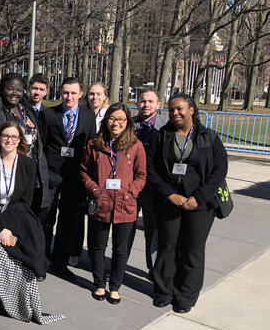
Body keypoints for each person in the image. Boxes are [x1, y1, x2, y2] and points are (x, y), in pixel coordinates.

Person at [147, 93, 227, 314]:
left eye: (180, 109)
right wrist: (169, 194)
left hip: (199, 205)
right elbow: (151, 171)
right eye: (171, 110)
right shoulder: (162, 136)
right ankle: (164, 291)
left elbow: (219, 170)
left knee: (193, 251)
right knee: (167, 248)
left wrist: (198, 197)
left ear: (191, 110)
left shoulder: (208, 137)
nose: (175, 113)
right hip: (169, 202)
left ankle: (186, 295)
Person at [0, 121, 63, 324]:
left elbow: (25, 203)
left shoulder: (27, 164)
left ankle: (16, 299)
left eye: (13, 137)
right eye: (5, 136)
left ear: (19, 140)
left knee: (17, 259)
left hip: (16, 218)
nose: (9, 140)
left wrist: (12, 229)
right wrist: (0, 228)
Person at [80, 103, 147, 304]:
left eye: (120, 119)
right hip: (101, 203)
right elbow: (83, 171)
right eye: (112, 118)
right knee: (97, 246)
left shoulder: (135, 145)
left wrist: (131, 192)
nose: (115, 123)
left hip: (125, 205)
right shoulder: (94, 144)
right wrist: (93, 189)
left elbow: (142, 175)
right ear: (105, 120)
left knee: (121, 249)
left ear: (127, 122)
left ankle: (115, 286)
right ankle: (99, 283)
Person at [0, 73, 51, 236]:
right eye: (10, 89)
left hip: (31, 171)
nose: (15, 93)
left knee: (27, 221)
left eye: (19, 89)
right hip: (7, 174)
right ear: (2, 89)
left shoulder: (25, 109)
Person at [39, 77, 96, 279]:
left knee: (68, 221)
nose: (69, 97)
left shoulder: (89, 116)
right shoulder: (48, 114)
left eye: (73, 93)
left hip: (75, 178)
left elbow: (91, 148)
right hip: (52, 176)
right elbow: (42, 147)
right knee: (46, 219)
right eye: (65, 92)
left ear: (81, 94)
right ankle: (42, 261)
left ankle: (60, 262)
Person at [132, 89, 167, 278]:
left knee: (152, 230)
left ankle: (153, 269)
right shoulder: (128, 124)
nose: (146, 104)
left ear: (158, 104)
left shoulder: (166, 127)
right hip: (130, 185)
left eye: (151, 101)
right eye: (143, 101)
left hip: (153, 188)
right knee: (126, 228)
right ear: (137, 103)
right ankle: (118, 266)